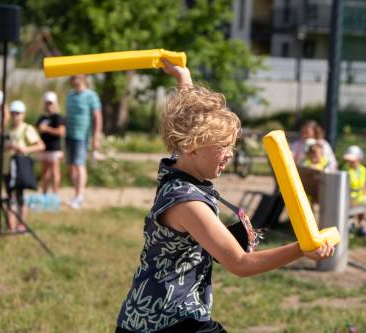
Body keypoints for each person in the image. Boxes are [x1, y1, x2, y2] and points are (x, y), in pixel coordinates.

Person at [115, 60, 335, 333]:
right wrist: (302, 247)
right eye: (222, 146)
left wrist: (183, 76)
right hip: (164, 321)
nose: (230, 154)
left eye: (232, 146)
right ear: (192, 146)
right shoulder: (187, 203)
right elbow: (239, 263)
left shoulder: (177, 167)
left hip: (161, 316)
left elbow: (186, 121)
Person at [4, 100, 45, 232]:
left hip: (20, 167)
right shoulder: (7, 130)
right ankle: (10, 225)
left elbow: (41, 145)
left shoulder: (27, 129)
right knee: (9, 197)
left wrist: (24, 148)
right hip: (7, 167)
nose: (15, 116)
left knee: (20, 196)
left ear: (23, 115)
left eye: (18, 113)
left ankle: (21, 224)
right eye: (13, 113)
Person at [65, 74, 102, 209]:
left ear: (82, 77)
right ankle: (76, 194)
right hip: (69, 135)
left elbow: (97, 117)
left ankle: (79, 196)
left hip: (82, 136)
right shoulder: (69, 95)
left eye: (74, 76)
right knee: (71, 166)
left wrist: (96, 137)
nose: (72, 79)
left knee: (80, 165)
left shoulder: (91, 95)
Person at [343, 145, 366, 235]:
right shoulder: (346, 171)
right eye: (349, 160)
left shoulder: (362, 169)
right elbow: (344, 189)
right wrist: (350, 200)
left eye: (353, 160)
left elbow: (364, 186)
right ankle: (362, 228)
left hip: (360, 197)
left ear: (359, 159)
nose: (350, 162)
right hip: (350, 199)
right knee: (364, 206)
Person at [36, 91, 66, 195]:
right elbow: (37, 130)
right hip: (44, 148)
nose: (49, 105)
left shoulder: (58, 117)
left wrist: (47, 129)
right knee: (44, 172)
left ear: (55, 103)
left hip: (54, 148)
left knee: (54, 171)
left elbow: (61, 132)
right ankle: (44, 194)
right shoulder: (42, 117)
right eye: (47, 103)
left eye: (51, 103)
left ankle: (55, 194)